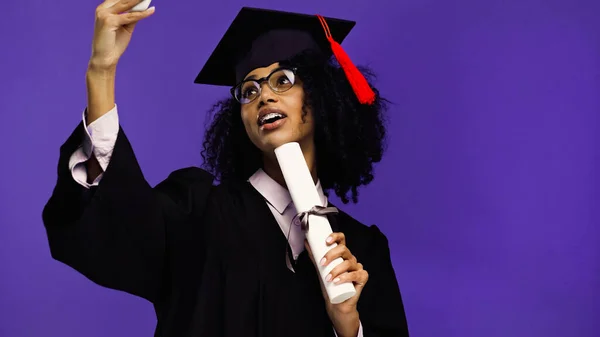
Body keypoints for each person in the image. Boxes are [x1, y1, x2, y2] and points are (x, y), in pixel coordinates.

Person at [42, 3, 409, 337]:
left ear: (321, 95)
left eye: (282, 80)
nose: (263, 96)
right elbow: (122, 230)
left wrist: (347, 324)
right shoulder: (197, 211)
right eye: (248, 90)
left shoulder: (364, 250)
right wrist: (101, 73)